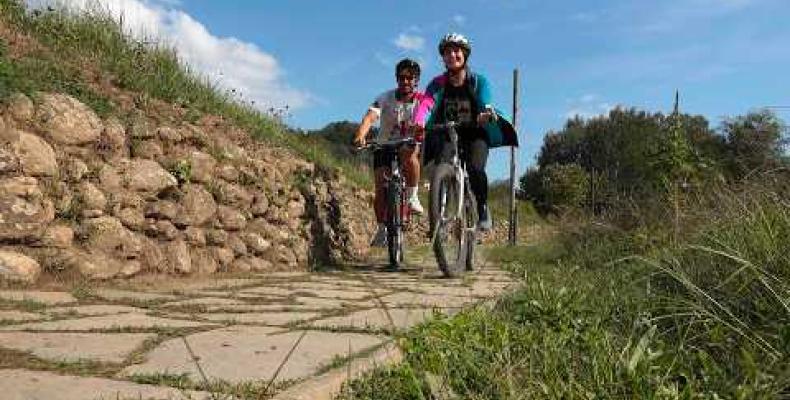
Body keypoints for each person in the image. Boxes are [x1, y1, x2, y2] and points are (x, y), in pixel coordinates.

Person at [414, 33, 518, 231]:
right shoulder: (437, 84)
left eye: (456, 51)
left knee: (475, 168)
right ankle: (440, 216)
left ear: (465, 54)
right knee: (440, 167)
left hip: (475, 133)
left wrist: (486, 113)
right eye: (447, 52)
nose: (452, 55)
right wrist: (419, 122)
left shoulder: (478, 81)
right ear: (443, 58)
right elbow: (427, 103)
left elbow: (486, 101)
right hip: (447, 132)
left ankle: (482, 207)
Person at [353, 58, 425, 247]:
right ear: (396, 79)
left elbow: (427, 118)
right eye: (402, 77)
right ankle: (382, 228)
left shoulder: (421, 100)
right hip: (384, 144)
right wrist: (361, 134)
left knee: (410, 154)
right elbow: (370, 117)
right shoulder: (385, 97)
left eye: (410, 78)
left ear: (416, 80)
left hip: (407, 143)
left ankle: (412, 195)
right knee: (380, 188)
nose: (406, 81)